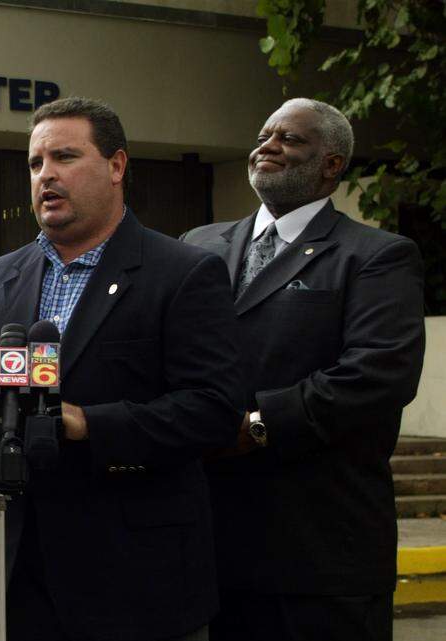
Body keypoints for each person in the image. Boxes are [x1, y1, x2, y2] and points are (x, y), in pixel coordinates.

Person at [0, 97, 245, 641]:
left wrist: (90, 423)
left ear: (116, 166)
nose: (47, 175)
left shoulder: (183, 272)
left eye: (65, 156)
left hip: (137, 581)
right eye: (36, 163)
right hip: (18, 574)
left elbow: (215, 410)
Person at [181, 98, 426, 641]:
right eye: (264, 134)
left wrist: (256, 426)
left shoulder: (377, 256)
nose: (266, 146)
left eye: (289, 139)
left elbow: (378, 373)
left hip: (318, 557)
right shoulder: (196, 247)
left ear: (332, 165)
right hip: (208, 549)